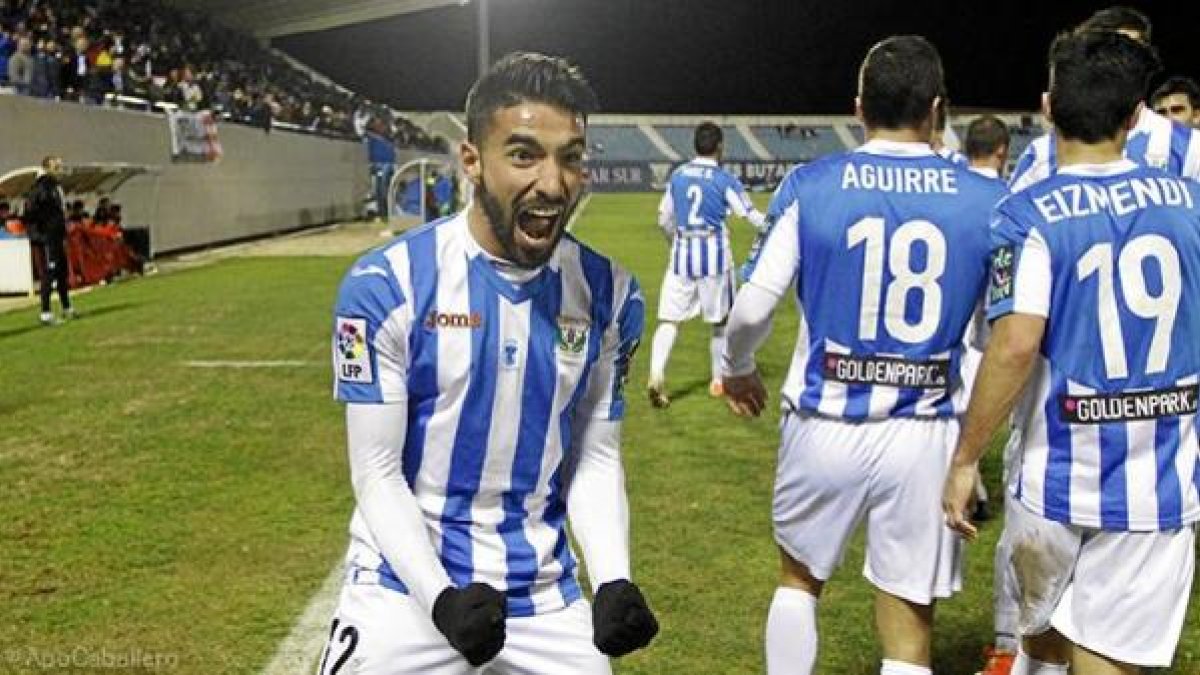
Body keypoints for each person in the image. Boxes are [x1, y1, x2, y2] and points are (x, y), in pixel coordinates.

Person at [319, 52, 658, 675]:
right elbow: (376, 470)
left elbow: (596, 453)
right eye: (524, 155)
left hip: (543, 598)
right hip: (407, 592)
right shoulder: (385, 285)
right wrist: (442, 599)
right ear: (470, 160)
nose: (554, 184)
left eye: (572, 157)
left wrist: (612, 579)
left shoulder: (611, 294)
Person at [722, 36, 1006, 674]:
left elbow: (750, 309)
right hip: (924, 434)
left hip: (823, 421)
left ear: (858, 106)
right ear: (937, 109)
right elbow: (998, 338)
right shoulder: (987, 200)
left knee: (798, 583)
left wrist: (736, 369)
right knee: (908, 625)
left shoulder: (813, 183)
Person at [943, 30, 1199, 675]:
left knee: (1045, 647)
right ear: (1137, 116)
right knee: (1104, 658)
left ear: (1049, 106)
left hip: (1052, 479)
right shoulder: (1191, 204)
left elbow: (1015, 344)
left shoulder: (1028, 211)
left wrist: (965, 458)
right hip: (1156, 487)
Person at [1008, 7, 1200, 193]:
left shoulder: (1190, 148)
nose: (1115, 63)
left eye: (1126, 51)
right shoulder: (1041, 154)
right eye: (1102, 52)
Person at [646, 122, 766, 407]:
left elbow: (663, 217)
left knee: (669, 320)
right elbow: (749, 215)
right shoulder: (724, 179)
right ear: (720, 147)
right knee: (720, 322)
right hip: (714, 258)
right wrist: (778, 226)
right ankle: (717, 380)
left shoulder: (678, 176)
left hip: (681, 257)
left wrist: (673, 243)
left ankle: (656, 373)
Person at [24, 155, 75, 326]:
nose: (60, 170)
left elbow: (59, 210)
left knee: (62, 272)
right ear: (47, 168)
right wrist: (40, 234)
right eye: (57, 167)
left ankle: (66, 307)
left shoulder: (56, 188)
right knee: (49, 274)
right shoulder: (40, 188)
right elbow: (30, 214)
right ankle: (45, 312)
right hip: (47, 239)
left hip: (57, 237)